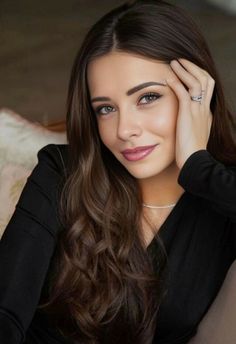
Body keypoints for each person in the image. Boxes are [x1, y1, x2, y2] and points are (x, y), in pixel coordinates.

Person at [0, 0, 236, 343]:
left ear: (195, 94)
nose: (124, 129)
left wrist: (197, 166)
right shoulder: (64, 171)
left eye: (147, 97)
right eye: (106, 108)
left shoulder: (219, 190)